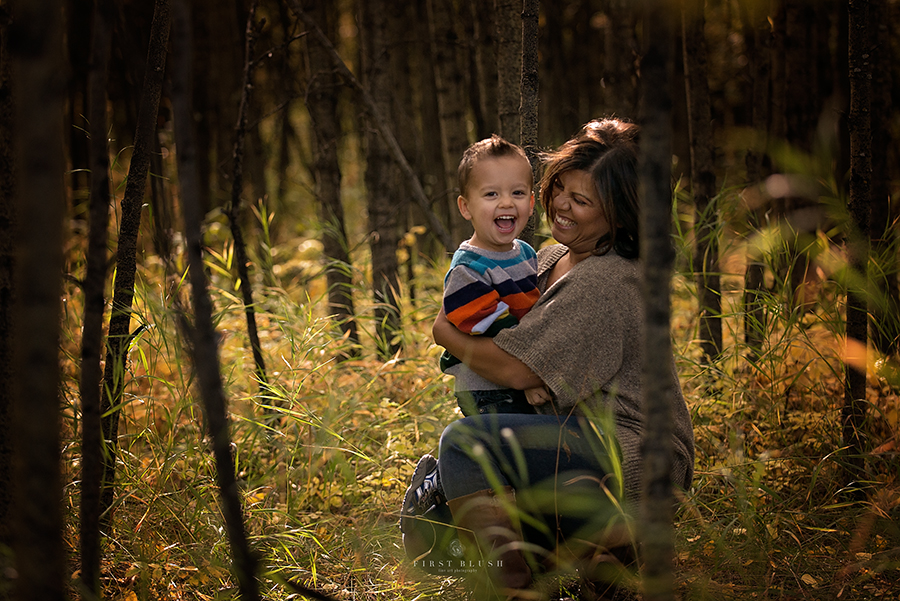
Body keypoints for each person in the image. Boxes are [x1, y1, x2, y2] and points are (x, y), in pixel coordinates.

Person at [430, 118, 695, 600]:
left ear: (619, 214)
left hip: (630, 453)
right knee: (479, 460)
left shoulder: (607, 279)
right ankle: (571, 560)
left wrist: (443, 332)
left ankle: (527, 579)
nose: (561, 206)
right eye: (558, 189)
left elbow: (514, 366)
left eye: (582, 200)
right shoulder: (550, 257)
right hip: (581, 438)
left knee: (465, 445)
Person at [439, 134, 549, 417]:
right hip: (488, 390)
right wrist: (527, 378)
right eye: (491, 194)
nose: (506, 203)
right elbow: (495, 329)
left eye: (517, 193)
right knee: (506, 450)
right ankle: (444, 463)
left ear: (531, 202)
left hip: (515, 374)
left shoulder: (524, 252)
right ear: (466, 207)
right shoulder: (469, 267)